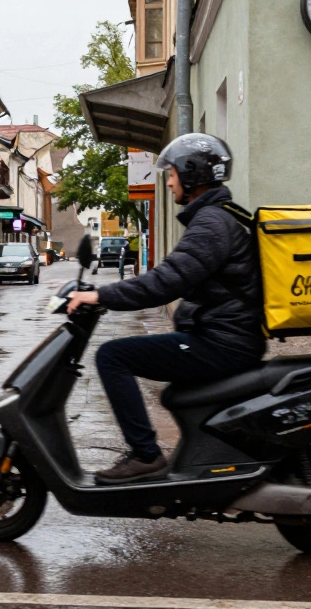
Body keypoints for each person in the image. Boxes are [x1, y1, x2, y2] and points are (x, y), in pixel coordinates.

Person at [67, 134, 264, 485]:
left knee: (113, 356)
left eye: (172, 173)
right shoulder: (216, 218)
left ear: (192, 174)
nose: (169, 180)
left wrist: (101, 296)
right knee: (169, 385)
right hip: (225, 337)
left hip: (224, 343)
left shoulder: (211, 224)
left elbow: (165, 282)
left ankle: (146, 455)